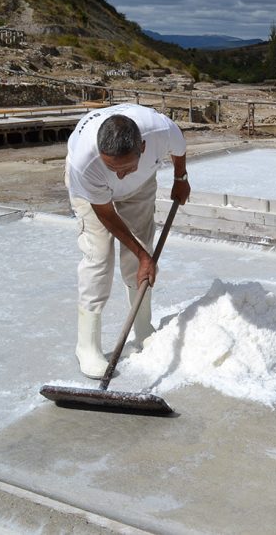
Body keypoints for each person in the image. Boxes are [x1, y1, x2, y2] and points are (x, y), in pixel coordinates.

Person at [65, 103, 190, 378]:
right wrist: (145, 255)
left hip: (141, 186)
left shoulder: (161, 131)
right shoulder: (85, 162)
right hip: (93, 196)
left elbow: (179, 148)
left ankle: (143, 328)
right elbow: (107, 214)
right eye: (114, 168)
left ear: (143, 148)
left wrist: (181, 177)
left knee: (138, 257)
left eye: (125, 168)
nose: (119, 175)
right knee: (98, 257)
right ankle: (86, 346)